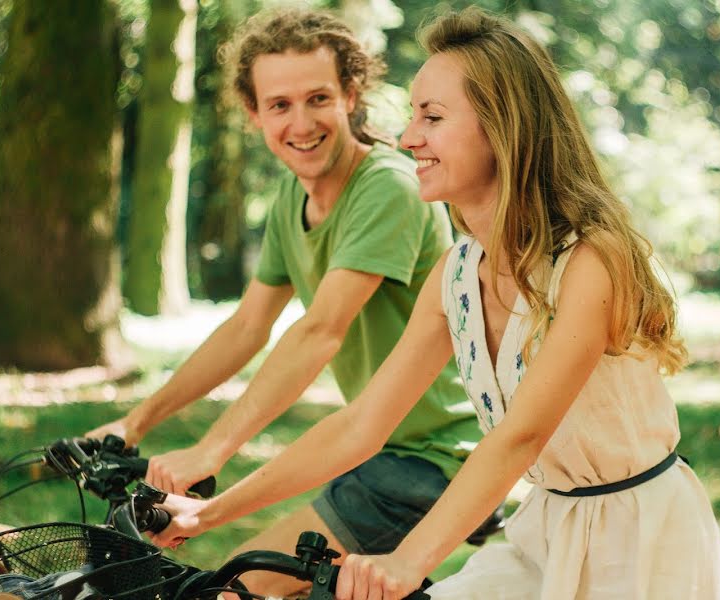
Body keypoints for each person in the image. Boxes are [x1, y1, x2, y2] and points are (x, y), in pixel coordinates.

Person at [151, 7, 720, 599]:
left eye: (432, 117)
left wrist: (408, 562)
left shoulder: (590, 260)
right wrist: (209, 513)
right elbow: (360, 425)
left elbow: (519, 436)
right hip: (546, 530)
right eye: (412, 115)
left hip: (644, 543)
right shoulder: (457, 272)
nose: (408, 138)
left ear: (503, 127)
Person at [86, 7, 481, 598]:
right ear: (253, 114)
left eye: (318, 97)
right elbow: (247, 326)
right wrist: (135, 422)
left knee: (236, 586)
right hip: (371, 446)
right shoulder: (291, 200)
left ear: (351, 95)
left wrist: (212, 448)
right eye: (279, 104)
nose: (302, 123)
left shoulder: (388, 187)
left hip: (430, 456)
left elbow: (320, 331)